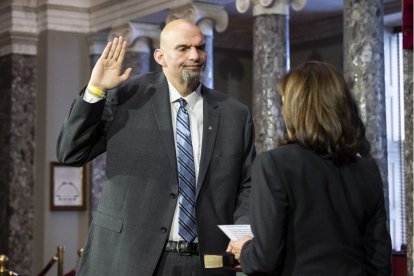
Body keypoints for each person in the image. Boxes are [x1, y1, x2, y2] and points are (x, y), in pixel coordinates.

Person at [57, 19, 255, 276]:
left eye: (200, 47)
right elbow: (70, 153)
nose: (195, 56)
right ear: (160, 56)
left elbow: (248, 185)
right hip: (129, 258)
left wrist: (242, 238)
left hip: (207, 263)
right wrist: (96, 90)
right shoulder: (126, 97)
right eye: (183, 48)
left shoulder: (234, 114)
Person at [227, 61, 392, 275]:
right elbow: (379, 260)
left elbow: (264, 260)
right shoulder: (368, 169)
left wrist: (245, 249)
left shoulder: (274, 164)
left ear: (295, 108)